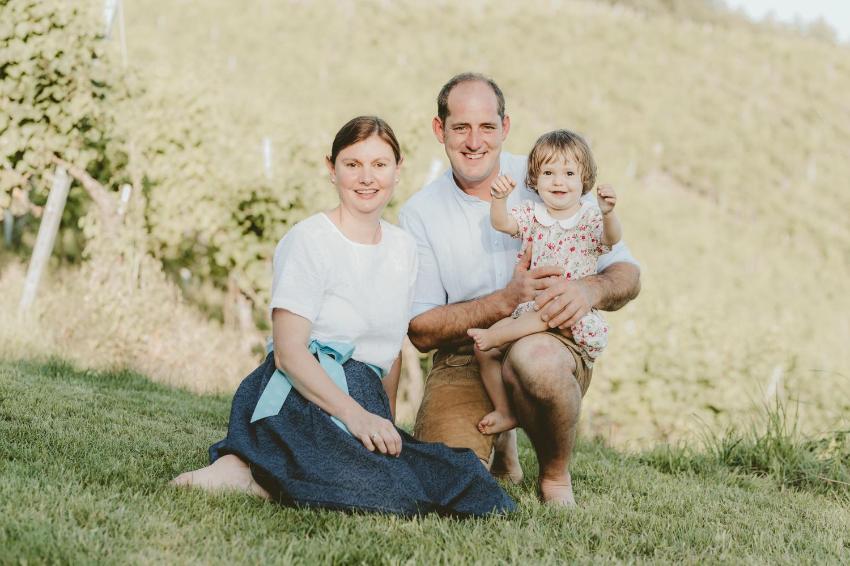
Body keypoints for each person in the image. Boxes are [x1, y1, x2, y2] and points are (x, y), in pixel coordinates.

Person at [171, 116, 515, 517]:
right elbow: (288, 354)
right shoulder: (309, 240)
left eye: (379, 165)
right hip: (303, 396)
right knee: (392, 493)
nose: (366, 177)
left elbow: (391, 351)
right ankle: (247, 473)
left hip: (362, 398)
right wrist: (356, 417)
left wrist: (380, 421)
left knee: (470, 483)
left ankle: (267, 475)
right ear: (331, 168)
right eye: (352, 164)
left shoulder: (403, 249)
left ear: (398, 170)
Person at [399, 73, 640, 506]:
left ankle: (553, 475)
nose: (475, 141)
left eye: (487, 127)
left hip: (549, 337)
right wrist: (506, 300)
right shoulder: (421, 213)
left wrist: (588, 291)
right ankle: (501, 444)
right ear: (440, 130)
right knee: (444, 486)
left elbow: (626, 273)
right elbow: (420, 331)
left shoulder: (547, 170)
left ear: (505, 128)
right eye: (461, 127)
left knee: (536, 358)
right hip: (467, 356)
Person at [468, 130, 622, 436]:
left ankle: (501, 336)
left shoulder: (590, 218)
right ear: (535, 180)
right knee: (482, 350)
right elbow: (502, 223)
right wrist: (498, 200)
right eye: (548, 173)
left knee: (536, 314)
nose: (558, 181)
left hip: (568, 310)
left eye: (568, 173)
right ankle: (505, 409)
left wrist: (609, 214)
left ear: (584, 180)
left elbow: (611, 239)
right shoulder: (532, 215)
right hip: (533, 308)